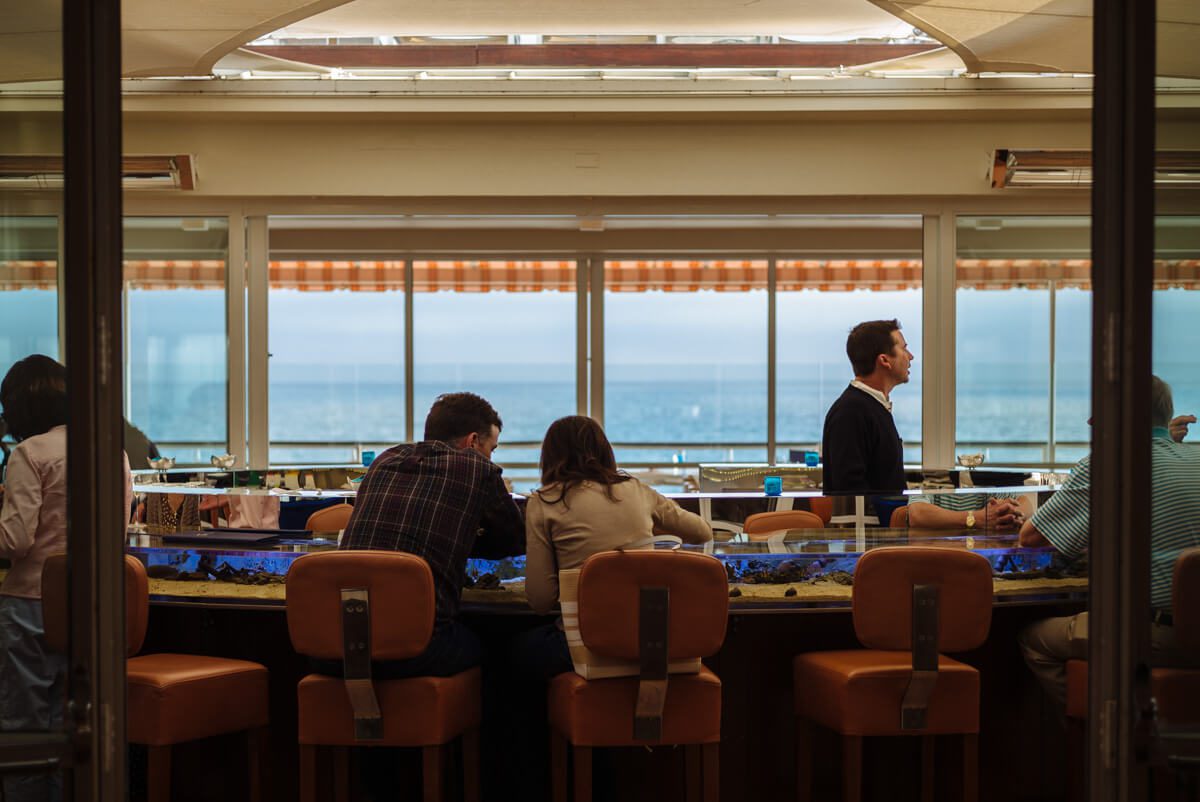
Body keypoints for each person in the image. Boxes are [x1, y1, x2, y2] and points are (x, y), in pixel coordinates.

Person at [1017, 376, 1200, 708]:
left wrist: (1029, 512)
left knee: (1035, 640)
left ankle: (1105, 737)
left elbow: (1031, 538)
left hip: (1156, 635)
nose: (1090, 420)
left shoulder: (1108, 465)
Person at [0, 355, 131, 802]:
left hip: (30, 601)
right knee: (74, 729)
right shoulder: (112, 448)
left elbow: (15, 541)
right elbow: (118, 530)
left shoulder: (28, 453)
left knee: (27, 733)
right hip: (88, 603)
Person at [332, 391, 524, 679]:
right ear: (472, 442)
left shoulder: (385, 460)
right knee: (501, 648)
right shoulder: (477, 468)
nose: (491, 456)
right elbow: (513, 541)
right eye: (491, 448)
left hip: (338, 647)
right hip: (417, 647)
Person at [517, 415, 713, 679]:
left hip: (585, 645)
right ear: (603, 451)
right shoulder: (637, 490)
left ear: (550, 456)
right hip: (652, 640)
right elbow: (702, 532)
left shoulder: (543, 503)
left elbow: (540, 600)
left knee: (511, 652)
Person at [821, 318, 914, 495]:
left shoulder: (871, 406)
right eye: (904, 348)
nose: (910, 356)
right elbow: (849, 490)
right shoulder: (850, 412)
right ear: (885, 360)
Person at [907, 490, 1032, 530]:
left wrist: (1009, 512)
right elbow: (917, 514)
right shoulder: (930, 473)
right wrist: (977, 518)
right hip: (936, 558)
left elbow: (1025, 505)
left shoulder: (987, 476)